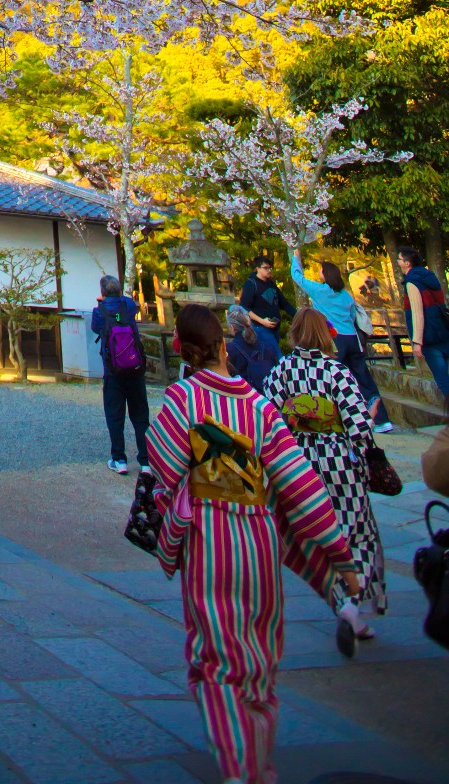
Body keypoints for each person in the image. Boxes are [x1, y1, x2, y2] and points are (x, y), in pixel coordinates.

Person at [146, 302, 360, 784]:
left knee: (217, 663)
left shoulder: (181, 401)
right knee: (260, 662)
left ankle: (240, 770)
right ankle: (260, 764)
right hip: (259, 538)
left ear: (183, 349)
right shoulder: (258, 407)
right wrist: (341, 558)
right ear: (223, 345)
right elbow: (301, 486)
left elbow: (161, 463)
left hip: (209, 539)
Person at [265, 304, 386, 656]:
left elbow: (269, 418)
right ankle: (351, 606)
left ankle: (347, 612)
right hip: (339, 462)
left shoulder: (281, 371)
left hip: (299, 467)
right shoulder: (336, 372)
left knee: (320, 540)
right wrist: (364, 447)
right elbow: (360, 426)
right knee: (357, 534)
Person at [290, 249, 394, 431]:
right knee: (364, 379)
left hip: (334, 339)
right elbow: (353, 315)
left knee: (332, 379)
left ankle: (337, 420)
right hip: (353, 339)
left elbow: (297, 277)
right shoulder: (346, 295)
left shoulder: (320, 291)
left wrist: (296, 257)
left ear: (325, 274)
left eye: (321, 270)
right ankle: (382, 420)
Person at [90, 274, 151, 474]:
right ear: (119, 291)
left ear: (102, 292)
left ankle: (119, 459)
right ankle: (145, 461)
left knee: (115, 415)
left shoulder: (99, 312)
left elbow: (95, 328)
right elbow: (124, 306)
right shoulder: (129, 306)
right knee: (140, 415)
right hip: (134, 369)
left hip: (113, 371)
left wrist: (103, 303)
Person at [396, 245, 449, 409]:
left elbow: (417, 314)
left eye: (399, 259)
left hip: (429, 337)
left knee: (442, 378)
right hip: (443, 332)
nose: (397, 262)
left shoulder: (412, 283)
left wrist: (417, 341)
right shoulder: (431, 278)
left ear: (407, 263)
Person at [238, 253, 294, 365]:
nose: (269, 270)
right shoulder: (251, 284)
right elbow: (244, 307)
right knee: (278, 358)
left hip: (274, 329)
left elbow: (284, 304)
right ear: (258, 268)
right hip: (260, 328)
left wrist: (300, 315)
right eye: (266, 268)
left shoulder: (271, 285)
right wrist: (261, 321)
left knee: (270, 360)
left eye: (270, 268)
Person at [225, 304, 278, 393]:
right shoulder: (268, 348)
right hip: (267, 401)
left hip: (242, 401)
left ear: (231, 327)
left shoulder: (228, 350)